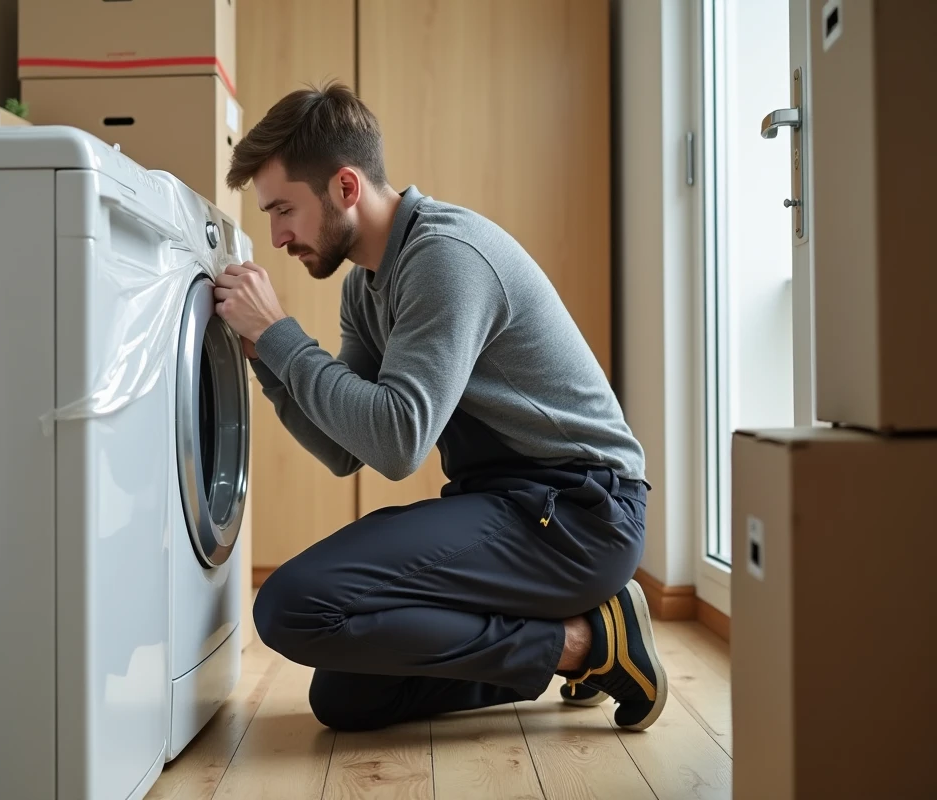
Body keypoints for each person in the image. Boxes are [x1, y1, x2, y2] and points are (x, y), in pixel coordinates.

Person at [212, 80, 667, 733]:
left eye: (283, 209)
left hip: (580, 515)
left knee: (291, 607)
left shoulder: (445, 257)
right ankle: (578, 640)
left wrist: (284, 337)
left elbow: (398, 442)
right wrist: (270, 365)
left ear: (345, 187)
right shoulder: (365, 288)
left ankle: (586, 642)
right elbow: (346, 449)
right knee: (348, 697)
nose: (278, 237)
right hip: (512, 506)